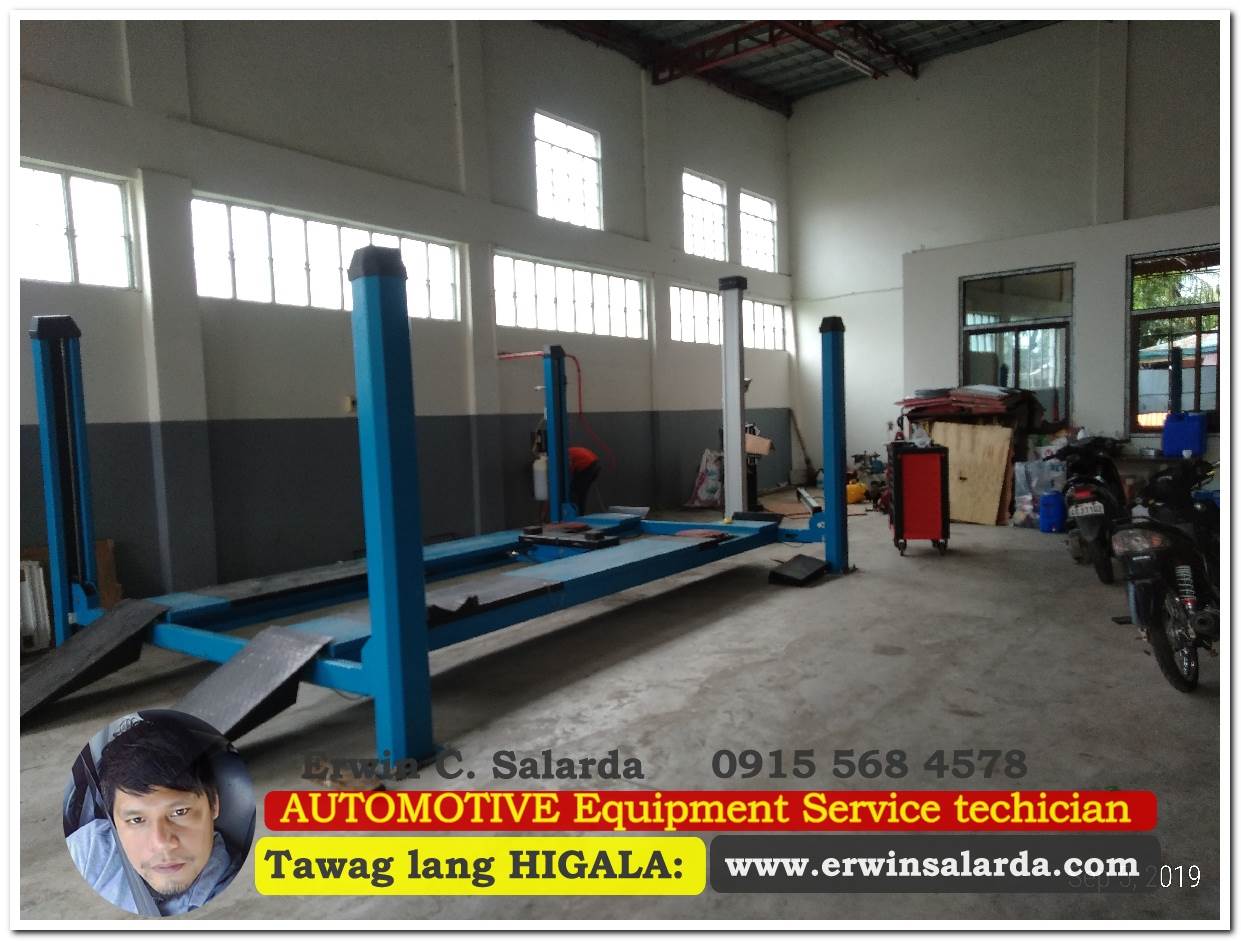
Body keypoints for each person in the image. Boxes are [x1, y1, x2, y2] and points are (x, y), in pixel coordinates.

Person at [66, 717, 238, 916]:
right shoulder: (91, 850)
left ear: (214, 804)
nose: (161, 843)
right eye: (137, 820)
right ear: (113, 822)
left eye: (179, 812)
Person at [568, 445, 601, 516]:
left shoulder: (565, 454)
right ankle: (581, 513)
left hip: (587, 465)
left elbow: (569, 469)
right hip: (595, 464)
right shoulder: (571, 451)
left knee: (575, 492)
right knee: (582, 493)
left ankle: (577, 514)